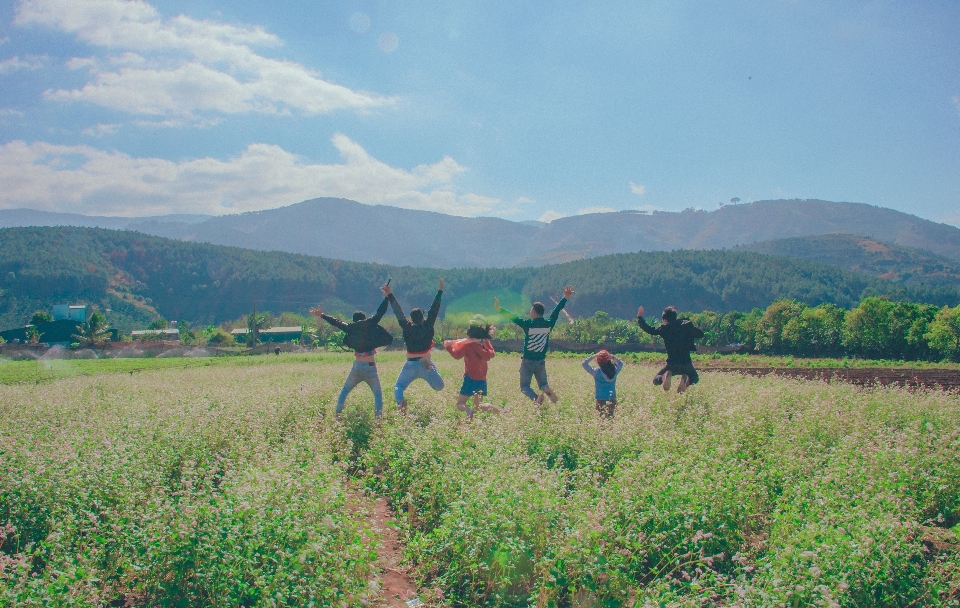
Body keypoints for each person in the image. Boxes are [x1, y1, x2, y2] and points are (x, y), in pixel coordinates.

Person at [310, 292, 391, 418]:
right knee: (377, 394)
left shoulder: (350, 328)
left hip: (357, 365)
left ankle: (337, 415)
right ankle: (378, 420)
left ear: (353, 320)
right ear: (364, 318)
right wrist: (387, 297)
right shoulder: (370, 324)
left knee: (345, 391)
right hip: (370, 365)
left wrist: (322, 315)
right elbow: (380, 312)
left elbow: (336, 322)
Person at [494, 285, 574, 404]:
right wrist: (565, 297)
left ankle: (536, 398)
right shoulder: (549, 324)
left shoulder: (528, 325)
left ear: (535, 313)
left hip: (527, 361)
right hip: (540, 361)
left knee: (524, 387)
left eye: (531, 310)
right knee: (543, 384)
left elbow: (514, 318)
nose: (530, 312)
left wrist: (499, 308)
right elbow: (556, 310)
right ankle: (552, 396)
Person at [383, 278, 445, 413]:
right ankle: (430, 369)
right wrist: (440, 290)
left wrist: (389, 294)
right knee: (440, 386)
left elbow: (397, 310)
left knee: (399, 386)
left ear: (411, 319)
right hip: (425, 362)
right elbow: (434, 309)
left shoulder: (406, 326)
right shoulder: (428, 325)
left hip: (410, 363)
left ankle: (400, 402)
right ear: (423, 317)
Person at [636, 305, 704, 393]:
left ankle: (664, 377)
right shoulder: (685, 325)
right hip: (686, 363)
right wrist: (689, 328)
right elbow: (700, 334)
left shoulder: (664, 328)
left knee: (656, 379)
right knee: (695, 378)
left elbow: (649, 330)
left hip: (671, 364)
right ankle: (686, 380)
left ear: (665, 320)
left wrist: (639, 317)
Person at [443, 315, 501, 419]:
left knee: (460, 403)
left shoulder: (467, 346)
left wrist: (448, 347)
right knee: (478, 406)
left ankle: (468, 411)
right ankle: (500, 412)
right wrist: (486, 340)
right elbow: (491, 354)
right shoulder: (483, 347)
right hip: (482, 380)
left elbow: (456, 355)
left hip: (470, 378)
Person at [582, 349, 624, 417]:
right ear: (609, 360)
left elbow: (584, 363)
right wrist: (612, 357)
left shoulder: (596, 372)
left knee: (600, 419)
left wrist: (593, 356)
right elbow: (621, 363)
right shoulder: (614, 371)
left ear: (598, 361)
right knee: (610, 419)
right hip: (612, 398)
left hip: (600, 399)